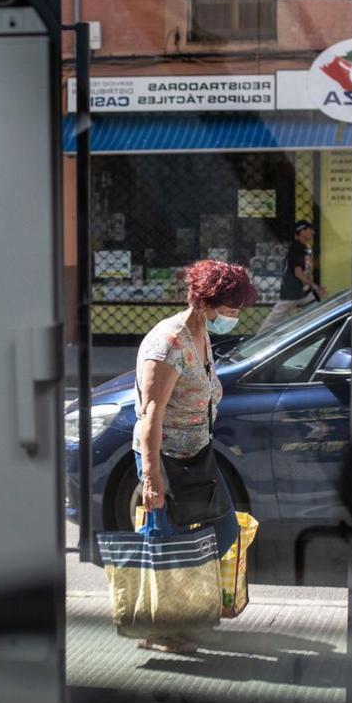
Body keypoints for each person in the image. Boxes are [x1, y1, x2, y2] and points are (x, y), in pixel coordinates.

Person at [133, 259, 258, 654]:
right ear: (204, 302)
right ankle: (160, 629)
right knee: (167, 542)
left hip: (196, 454)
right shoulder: (169, 343)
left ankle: (182, 616)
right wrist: (152, 478)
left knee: (224, 530)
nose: (235, 316)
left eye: (238, 308)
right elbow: (151, 415)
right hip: (165, 458)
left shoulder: (201, 334)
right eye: (230, 308)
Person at [257, 219, 327, 333]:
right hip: (292, 292)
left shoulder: (304, 248)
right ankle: (259, 339)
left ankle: (309, 334)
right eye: (309, 230)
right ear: (302, 231)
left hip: (302, 292)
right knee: (273, 320)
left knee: (314, 312)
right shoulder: (296, 248)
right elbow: (298, 273)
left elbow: (305, 271)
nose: (313, 232)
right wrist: (315, 287)